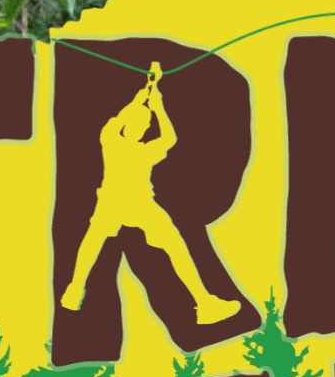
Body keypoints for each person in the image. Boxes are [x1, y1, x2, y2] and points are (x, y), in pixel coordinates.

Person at [61, 62, 241, 326]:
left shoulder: (110, 139)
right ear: (144, 128)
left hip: (110, 200)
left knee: (94, 238)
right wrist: (158, 106)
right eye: (145, 123)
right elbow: (170, 137)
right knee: (175, 247)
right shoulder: (145, 151)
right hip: (138, 204)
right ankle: (203, 303)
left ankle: (74, 290)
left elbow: (125, 114)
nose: (145, 126)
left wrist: (149, 86)